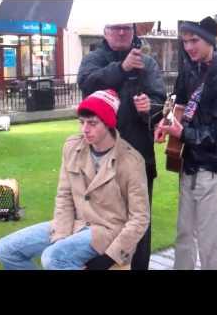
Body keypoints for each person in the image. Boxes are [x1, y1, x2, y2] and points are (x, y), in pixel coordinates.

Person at [0, 90, 150, 270]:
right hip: (75, 223)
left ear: (108, 124)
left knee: (53, 258)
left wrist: (109, 257)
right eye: (82, 122)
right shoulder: (72, 147)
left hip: (107, 230)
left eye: (92, 123)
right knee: (6, 249)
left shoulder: (131, 161)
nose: (85, 129)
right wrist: (61, 235)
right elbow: (64, 196)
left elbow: (140, 218)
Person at [154, 16, 217, 270]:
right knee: (184, 236)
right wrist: (166, 126)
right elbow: (180, 107)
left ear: (210, 41)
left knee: (210, 243)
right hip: (189, 162)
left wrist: (183, 134)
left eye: (194, 40)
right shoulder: (190, 69)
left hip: (215, 168)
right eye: (185, 42)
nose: (189, 47)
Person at [78, 23, 166, 270]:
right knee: (99, 223)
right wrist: (121, 68)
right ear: (105, 31)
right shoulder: (94, 58)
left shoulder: (147, 63)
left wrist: (149, 107)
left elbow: (159, 107)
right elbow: (86, 85)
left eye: (126, 28)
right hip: (98, 160)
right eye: (115, 28)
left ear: (134, 32)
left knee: (138, 224)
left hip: (139, 157)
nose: (121, 33)